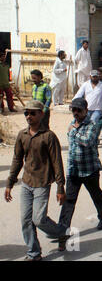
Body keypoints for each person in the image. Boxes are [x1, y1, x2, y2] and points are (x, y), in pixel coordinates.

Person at [5, 100, 67, 261]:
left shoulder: (49, 136)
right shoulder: (22, 135)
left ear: (41, 114)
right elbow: (17, 160)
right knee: (26, 220)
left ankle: (61, 232)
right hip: (26, 183)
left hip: (42, 183)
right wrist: (10, 183)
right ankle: (34, 253)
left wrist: (61, 187)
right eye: (26, 113)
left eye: (33, 113)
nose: (28, 116)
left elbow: (57, 162)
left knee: (38, 219)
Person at [57, 98, 102, 250]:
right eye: (73, 110)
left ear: (86, 111)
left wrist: (73, 131)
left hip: (89, 169)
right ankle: (63, 233)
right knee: (69, 202)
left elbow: (87, 141)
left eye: (79, 110)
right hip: (74, 170)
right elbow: (72, 148)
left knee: (96, 194)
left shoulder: (92, 125)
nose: (76, 113)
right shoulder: (72, 124)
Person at [73, 70, 102, 138]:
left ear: (98, 77)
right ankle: (88, 138)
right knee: (85, 123)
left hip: (98, 109)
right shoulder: (85, 84)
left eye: (96, 77)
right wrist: (74, 102)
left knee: (93, 122)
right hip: (87, 109)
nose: (94, 78)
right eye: (93, 77)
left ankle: (93, 138)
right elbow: (79, 94)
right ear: (90, 76)